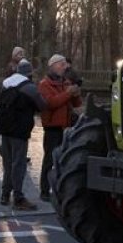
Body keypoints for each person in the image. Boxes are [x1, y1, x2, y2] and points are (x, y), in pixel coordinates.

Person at [0, 59, 46, 210]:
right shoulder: (29, 87)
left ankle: (5, 194)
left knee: (7, 162)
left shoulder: (6, 83)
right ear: (30, 73)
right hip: (20, 130)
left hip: (5, 128)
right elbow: (42, 105)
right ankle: (18, 197)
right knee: (19, 163)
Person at [38, 54, 82, 200]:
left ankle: (61, 190)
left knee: (65, 161)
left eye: (65, 64)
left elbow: (76, 104)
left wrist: (75, 94)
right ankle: (44, 191)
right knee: (49, 161)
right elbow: (50, 103)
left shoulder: (66, 83)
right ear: (53, 65)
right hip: (52, 129)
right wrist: (67, 94)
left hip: (67, 128)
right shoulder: (44, 84)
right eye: (61, 64)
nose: (65, 67)